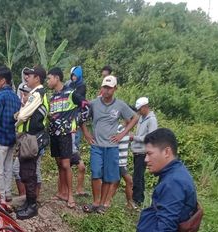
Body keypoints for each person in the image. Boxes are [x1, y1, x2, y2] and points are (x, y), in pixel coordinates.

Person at [80, 75, 139, 213]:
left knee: (108, 177)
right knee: (96, 174)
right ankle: (95, 202)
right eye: (104, 87)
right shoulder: (93, 103)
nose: (106, 90)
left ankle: (102, 204)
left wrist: (122, 134)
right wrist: (86, 134)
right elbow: (81, 118)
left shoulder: (120, 105)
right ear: (101, 88)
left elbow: (135, 118)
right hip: (97, 146)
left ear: (115, 89)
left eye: (109, 88)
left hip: (112, 147)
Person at [47, 67, 84, 208]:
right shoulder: (51, 97)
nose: (48, 81)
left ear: (57, 78)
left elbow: (85, 106)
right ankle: (61, 192)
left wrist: (75, 122)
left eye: (49, 78)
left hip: (66, 133)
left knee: (66, 164)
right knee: (58, 164)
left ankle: (70, 195)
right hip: (53, 134)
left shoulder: (71, 93)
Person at [14, 66, 49, 220]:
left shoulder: (37, 94)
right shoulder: (35, 94)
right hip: (29, 137)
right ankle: (28, 202)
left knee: (29, 171)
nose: (27, 77)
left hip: (32, 138)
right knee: (25, 170)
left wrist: (19, 117)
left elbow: (23, 114)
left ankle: (32, 206)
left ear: (38, 78)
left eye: (30, 75)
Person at [0, 66, 21, 202]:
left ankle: (0, 198)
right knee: (7, 168)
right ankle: (8, 194)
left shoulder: (0, 96)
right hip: (11, 138)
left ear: (3, 80)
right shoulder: (15, 97)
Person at [129, 97, 158, 206]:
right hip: (137, 151)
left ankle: (137, 200)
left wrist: (135, 138)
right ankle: (139, 197)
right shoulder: (141, 118)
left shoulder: (151, 120)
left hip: (143, 152)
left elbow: (151, 137)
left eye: (140, 109)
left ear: (145, 107)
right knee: (139, 176)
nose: (139, 111)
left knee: (137, 177)